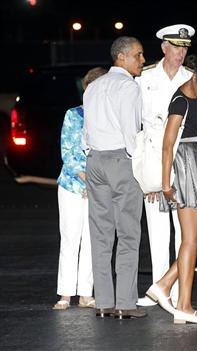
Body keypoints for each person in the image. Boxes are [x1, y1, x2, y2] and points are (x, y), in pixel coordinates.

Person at [135, 24, 197, 308]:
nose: (181, 53)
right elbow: (137, 125)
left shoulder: (192, 78)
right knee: (157, 230)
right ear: (164, 48)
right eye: (176, 47)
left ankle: (178, 290)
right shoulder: (144, 77)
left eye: (185, 48)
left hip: (185, 160)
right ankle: (159, 290)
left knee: (187, 233)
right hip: (155, 159)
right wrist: (152, 177)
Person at [147, 57, 197, 324]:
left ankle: (164, 284)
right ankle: (184, 305)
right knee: (190, 239)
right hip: (184, 166)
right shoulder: (180, 101)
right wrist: (166, 184)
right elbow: (168, 144)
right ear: (194, 78)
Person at [83, 36, 146, 319]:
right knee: (129, 233)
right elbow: (131, 131)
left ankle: (103, 303)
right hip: (121, 159)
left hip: (95, 160)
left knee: (101, 234)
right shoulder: (128, 87)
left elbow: (86, 131)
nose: (142, 60)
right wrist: (138, 163)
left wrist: (92, 153)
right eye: (139, 55)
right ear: (122, 57)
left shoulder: (93, 87)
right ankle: (126, 303)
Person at [53, 67, 107, 311]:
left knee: (92, 241)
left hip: (97, 186)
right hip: (72, 186)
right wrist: (87, 180)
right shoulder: (74, 115)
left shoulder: (108, 118)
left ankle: (86, 293)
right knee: (70, 237)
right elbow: (69, 152)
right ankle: (65, 293)